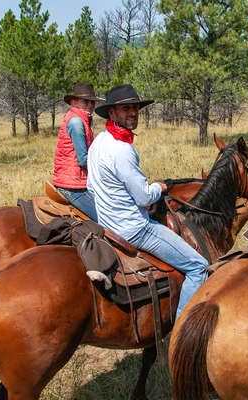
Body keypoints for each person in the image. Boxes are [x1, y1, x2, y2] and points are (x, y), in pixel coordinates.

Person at [86, 84, 209, 318]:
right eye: (126, 109)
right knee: (198, 266)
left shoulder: (99, 143)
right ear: (111, 113)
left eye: (135, 108)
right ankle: (181, 328)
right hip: (134, 229)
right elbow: (143, 197)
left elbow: (91, 188)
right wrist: (160, 187)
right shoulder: (122, 149)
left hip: (108, 226)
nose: (133, 113)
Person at [52, 82, 103, 221]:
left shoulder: (81, 120)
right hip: (73, 186)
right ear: (73, 102)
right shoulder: (76, 122)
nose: (90, 105)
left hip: (76, 181)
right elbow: (83, 159)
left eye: (92, 102)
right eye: (86, 101)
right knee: (106, 220)